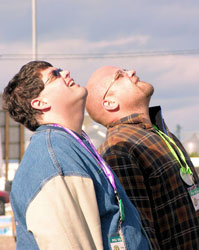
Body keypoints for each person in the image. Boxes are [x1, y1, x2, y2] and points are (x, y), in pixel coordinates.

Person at [2, 61, 150, 250]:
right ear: (40, 103)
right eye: (55, 74)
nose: (66, 72)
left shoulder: (69, 146)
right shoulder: (54, 157)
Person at [85, 66, 199, 250]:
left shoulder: (157, 133)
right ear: (110, 102)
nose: (132, 72)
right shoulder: (118, 150)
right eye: (120, 75)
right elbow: (141, 234)